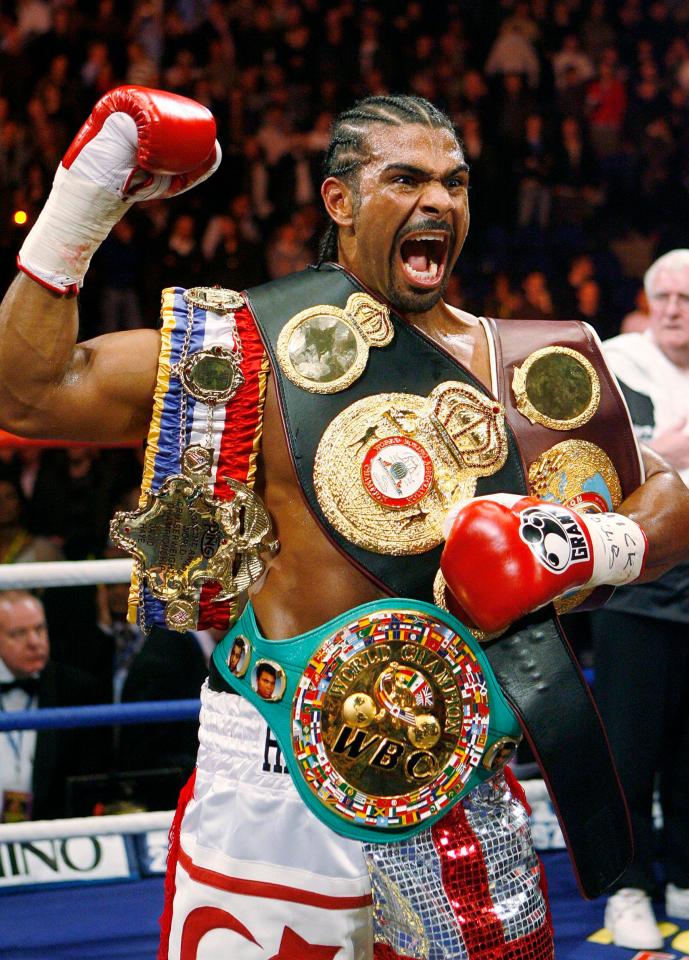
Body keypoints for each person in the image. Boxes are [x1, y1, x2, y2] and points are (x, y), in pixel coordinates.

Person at [0, 86, 688, 960]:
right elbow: (27, 389)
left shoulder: (526, 364)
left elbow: (666, 498)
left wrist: (587, 545)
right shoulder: (250, 343)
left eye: (455, 184)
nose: (437, 201)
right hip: (274, 779)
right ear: (339, 201)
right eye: (405, 179)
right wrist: (86, 196)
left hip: (459, 780)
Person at [592, 248, 689, 949]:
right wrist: (672, 445)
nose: (674, 309)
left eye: (686, 298)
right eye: (664, 295)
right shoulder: (614, 361)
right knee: (630, 744)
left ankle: (683, 874)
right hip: (638, 578)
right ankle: (624, 888)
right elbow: (617, 462)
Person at [0, 590, 104, 821]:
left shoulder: (77, 690)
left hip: (54, 833)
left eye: (39, 629)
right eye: (18, 633)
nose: (34, 642)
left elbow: (88, 781)